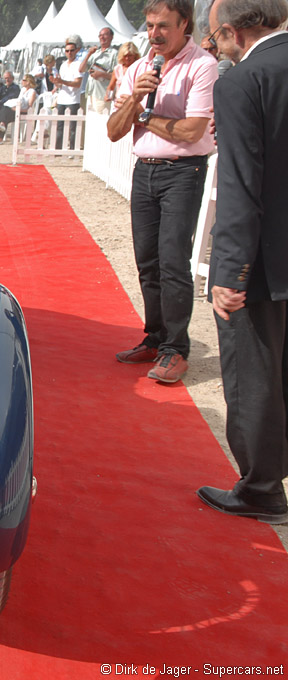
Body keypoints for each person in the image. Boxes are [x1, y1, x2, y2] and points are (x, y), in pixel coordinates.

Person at [196, 0, 288, 523]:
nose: (215, 48)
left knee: (254, 374)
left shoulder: (242, 81)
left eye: (215, 39)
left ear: (231, 31)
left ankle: (261, 488)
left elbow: (238, 186)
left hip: (263, 260)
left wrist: (229, 274)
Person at [107, 0, 217, 384]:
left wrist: (145, 117)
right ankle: (155, 338)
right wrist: (137, 99)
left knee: (172, 261)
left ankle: (175, 349)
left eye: (163, 26)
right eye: (150, 25)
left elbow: (191, 131)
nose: (154, 34)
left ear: (184, 24)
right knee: (147, 260)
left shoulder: (201, 65)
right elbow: (114, 130)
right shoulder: (139, 68)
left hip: (183, 172)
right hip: (145, 172)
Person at [52, 35, 84, 150]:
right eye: (67, 51)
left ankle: (72, 149)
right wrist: (56, 82)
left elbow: (77, 83)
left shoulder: (78, 64)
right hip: (62, 98)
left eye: (71, 50)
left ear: (76, 51)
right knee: (59, 126)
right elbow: (61, 84)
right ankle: (58, 148)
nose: (69, 53)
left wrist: (62, 82)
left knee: (73, 127)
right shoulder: (63, 65)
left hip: (73, 99)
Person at [80, 28, 118, 113]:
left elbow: (119, 75)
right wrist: (89, 54)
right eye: (100, 35)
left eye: (105, 35)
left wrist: (102, 74)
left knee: (101, 121)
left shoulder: (114, 54)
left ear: (111, 37)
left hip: (103, 94)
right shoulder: (95, 53)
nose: (102, 37)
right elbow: (81, 69)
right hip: (91, 93)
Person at [0, 73, 38, 144]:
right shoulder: (23, 90)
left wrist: (18, 109)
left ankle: (0, 137)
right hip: (17, 108)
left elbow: (29, 107)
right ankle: (2, 125)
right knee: (4, 109)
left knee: (5, 113)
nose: (22, 81)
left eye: (24, 80)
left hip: (23, 111)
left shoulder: (32, 92)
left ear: (28, 82)